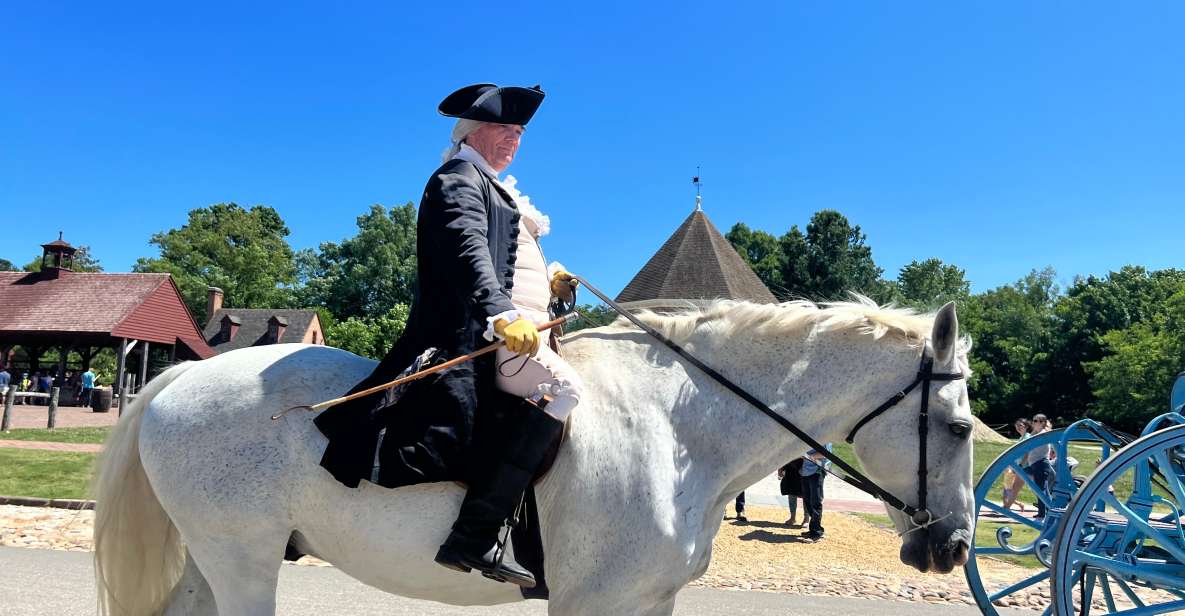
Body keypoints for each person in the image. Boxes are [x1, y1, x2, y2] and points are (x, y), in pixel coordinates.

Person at [315, 83, 582, 589]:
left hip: (525, 331)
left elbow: (507, 258)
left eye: (520, 132)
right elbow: (468, 254)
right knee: (566, 390)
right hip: (482, 335)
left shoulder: (496, 189)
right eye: (505, 129)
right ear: (471, 132)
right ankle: (473, 535)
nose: (514, 139)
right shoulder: (457, 180)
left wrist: (549, 285)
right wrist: (503, 314)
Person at [1024, 414, 1054, 519]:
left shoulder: (1043, 433)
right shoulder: (1036, 433)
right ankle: (1048, 511)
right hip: (1035, 465)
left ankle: (1045, 513)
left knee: (1041, 491)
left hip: (1041, 464)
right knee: (1042, 490)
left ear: (1043, 423)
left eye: (1037, 421)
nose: (1034, 423)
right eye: (1034, 420)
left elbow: (1030, 443)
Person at [800, 444, 832, 542]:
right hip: (806, 471)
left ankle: (816, 533)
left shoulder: (825, 435)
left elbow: (825, 453)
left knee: (815, 502)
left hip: (817, 471)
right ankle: (815, 529)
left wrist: (808, 456)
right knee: (808, 501)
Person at [1001, 418, 1031, 512]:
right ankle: (1007, 507)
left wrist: (1021, 465)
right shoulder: (1021, 438)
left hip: (1024, 467)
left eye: (1020, 425)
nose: (1018, 427)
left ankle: (1006, 508)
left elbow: (1027, 453)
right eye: (1016, 425)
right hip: (1018, 467)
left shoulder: (1027, 437)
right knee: (1011, 489)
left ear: (1026, 426)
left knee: (1014, 489)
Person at [778, 457, 806, 527]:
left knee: (805, 496)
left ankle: (806, 519)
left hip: (803, 469)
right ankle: (792, 517)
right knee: (791, 494)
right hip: (790, 469)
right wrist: (781, 468)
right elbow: (785, 454)